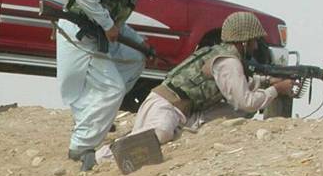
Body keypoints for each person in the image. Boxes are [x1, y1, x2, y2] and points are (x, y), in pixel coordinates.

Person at [101, 11, 294, 158]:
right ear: (244, 42)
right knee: (161, 133)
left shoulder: (223, 56)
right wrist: (276, 90)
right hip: (165, 105)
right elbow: (246, 101)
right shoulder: (228, 62)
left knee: (239, 113)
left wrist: (266, 81)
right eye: (253, 42)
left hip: (183, 112)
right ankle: (103, 156)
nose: (255, 47)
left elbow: (237, 87)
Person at [57, 0, 168, 171]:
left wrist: (140, 44)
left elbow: (115, 18)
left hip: (94, 33)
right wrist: (108, 25)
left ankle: (96, 118)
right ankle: (81, 147)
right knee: (112, 89)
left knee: (134, 58)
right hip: (80, 35)